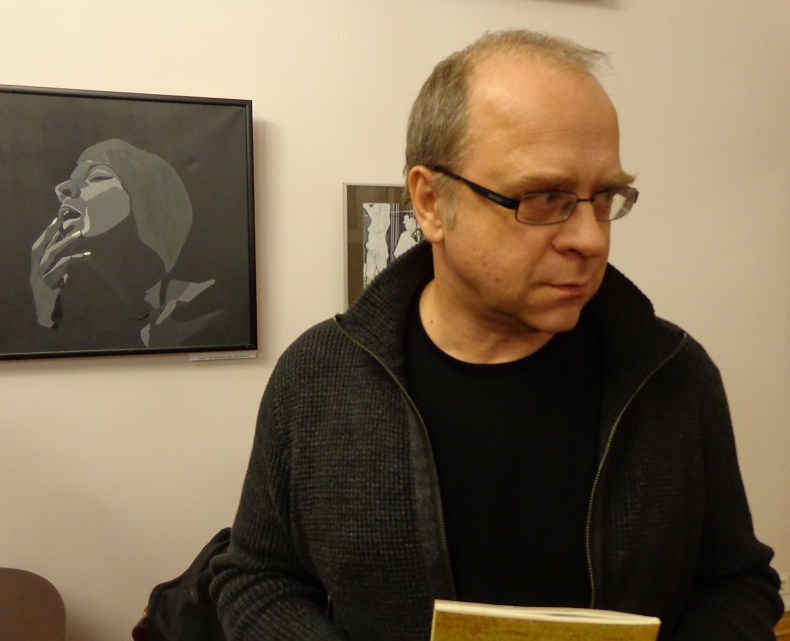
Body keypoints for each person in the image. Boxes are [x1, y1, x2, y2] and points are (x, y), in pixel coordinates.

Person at [210, 30, 783, 640]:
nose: (591, 239)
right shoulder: (319, 376)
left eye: (605, 197)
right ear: (431, 202)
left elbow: (738, 583)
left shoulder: (672, 374)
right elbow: (256, 578)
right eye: (544, 198)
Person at [29, 138, 223, 347]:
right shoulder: (87, 311)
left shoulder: (204, 307)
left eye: (97, 176)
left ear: (148, 202)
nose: (63, 188)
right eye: (72, 178)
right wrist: (46, 313)